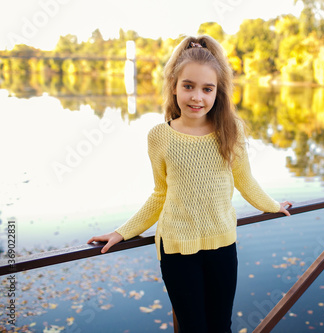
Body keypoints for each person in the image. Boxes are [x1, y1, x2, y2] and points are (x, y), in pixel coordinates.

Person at [87, 35, 292, 333]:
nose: (197, 97)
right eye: (189, 86)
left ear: (218, 92)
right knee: (193, 328)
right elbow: (160, 194)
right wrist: (122, 232)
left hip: (222, 245)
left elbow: (245, 181)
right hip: (176, 251)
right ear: (174, 86)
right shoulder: (159, 136)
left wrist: (273, 206)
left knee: (221, 326)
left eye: (207, 89)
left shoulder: (230, 130)